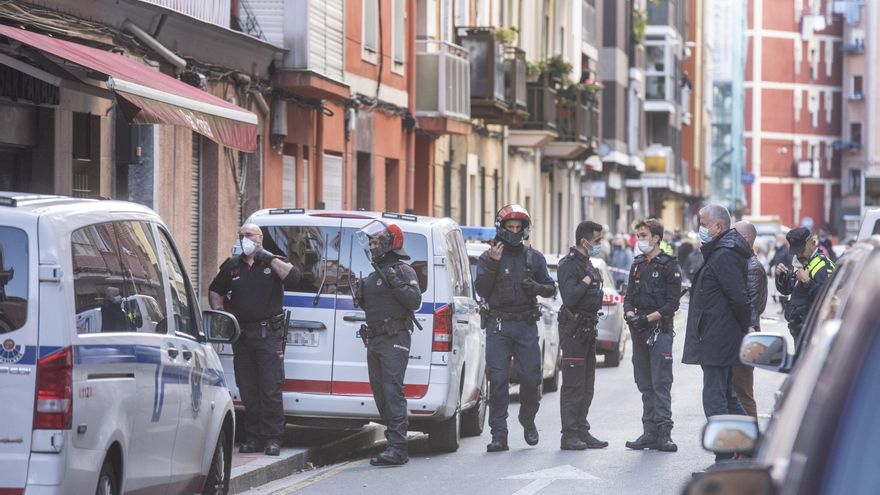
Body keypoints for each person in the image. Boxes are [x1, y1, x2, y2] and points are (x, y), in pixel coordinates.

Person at [209, 223, 301, 456]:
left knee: (270, 388)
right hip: (242, 335)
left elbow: (293, 278)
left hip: (268, 334)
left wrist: (267, 257)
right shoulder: (233, 265)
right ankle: (254, 438)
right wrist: (221, 315)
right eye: (241, 235)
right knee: (248, 388)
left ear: (259, 238)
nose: (244, 239)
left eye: (248, 235)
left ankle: (272, 438)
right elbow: (215, 289)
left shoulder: (272, 262)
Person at [475, 205, 556, 452]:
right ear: (501, 229)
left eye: (517, 227)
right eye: (509, 227)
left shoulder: (535, 258)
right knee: (497, 380)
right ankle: (499, 434)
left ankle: (528, 418)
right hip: (498, 325)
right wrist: (493, 264)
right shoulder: (487, 258)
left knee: (531, 380)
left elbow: (551, 288)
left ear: (524, 229)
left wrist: (537, 288)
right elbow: (481, 290)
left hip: (525, 325)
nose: (513, 231)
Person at [682, 204, 750, 463]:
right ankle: (756, 447)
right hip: (717, 335)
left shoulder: (724, 254)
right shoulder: (721, 251)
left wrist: (741, 328)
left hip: (717, 337)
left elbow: (739, 299)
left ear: (718, 227)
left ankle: (723, 460)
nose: (698, 228)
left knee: (715, 399)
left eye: (702, 222)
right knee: (727, 397)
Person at [352, 220, 422, 466]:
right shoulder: (373, 275)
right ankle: (394, 441)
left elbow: (414, 301)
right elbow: (374, 307)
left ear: (389, 243)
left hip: (395, 338)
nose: (371, 246)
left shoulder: (403, 271)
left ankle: (398, 448)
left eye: (375, 242)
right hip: (375, 339)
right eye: (370, 242)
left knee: (393, 392)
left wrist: (394, 281)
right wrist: (359, 294)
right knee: (381, 394)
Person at [623, 218, 682, 453]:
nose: (641, 240)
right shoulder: (637, 265)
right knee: (644, 383)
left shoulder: (669, 265)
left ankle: (664, 433)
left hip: (659, 330)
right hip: (639, 331)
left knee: (661, 383)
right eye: (639, 236)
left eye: (644, 235)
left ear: (657, 238)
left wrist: (647, 318)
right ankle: (649, 432)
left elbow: (672, 305)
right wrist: (629, 314)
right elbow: (628, 296)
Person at [556, 221, 609, 450]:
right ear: (584, 241)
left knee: (588, 385)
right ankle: (569, 435)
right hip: (574, 331)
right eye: (597, 241)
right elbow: (570, 297)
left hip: (588, 329)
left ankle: (582, 430)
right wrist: (588, 279)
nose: (600, 245)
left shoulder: (589, 264)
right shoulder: (569, 265)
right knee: (573, 385)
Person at [731, 221, 768, 419]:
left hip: (743, 338)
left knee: (743, 394)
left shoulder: (752, 267)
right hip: (739, 337)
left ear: (744, 238)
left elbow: (750, 307)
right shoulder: (743, 263)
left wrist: (747, 331)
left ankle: (747, 445)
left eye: (732, 234)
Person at [774, 227, 835, 340]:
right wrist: (780, 276)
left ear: (812, 243)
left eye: (801, 250)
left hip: (812, 331)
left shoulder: (824, 266)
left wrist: (807, 281)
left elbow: (827, 299)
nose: (798, 255)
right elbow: (787, 290)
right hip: (800, 329)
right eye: (795, 252)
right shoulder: (803, 262)